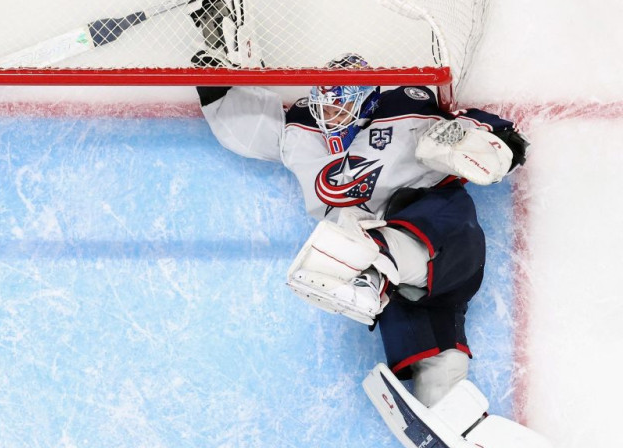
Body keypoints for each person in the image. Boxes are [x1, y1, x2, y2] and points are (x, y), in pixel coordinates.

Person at [189, 0, 530, 408]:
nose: (329, 113)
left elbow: (472, 128)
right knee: (426, 343)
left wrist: (489, 145)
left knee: (437, 232)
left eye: (340, 104)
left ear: (367, 101)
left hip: (434, 227)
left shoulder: (409, 106)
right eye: (324, 102)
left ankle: (369, 272)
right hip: (367, 249)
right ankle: (446, 408)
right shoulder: (301, 128)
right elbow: (242, 129)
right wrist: (212, 72)